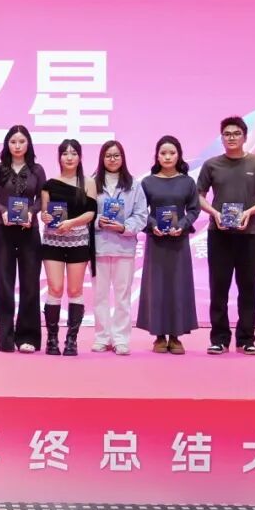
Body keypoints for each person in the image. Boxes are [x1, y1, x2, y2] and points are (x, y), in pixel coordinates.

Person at [197, 115, 255, 356]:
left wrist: (250, 212)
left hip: (250, 235)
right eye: (227, 134)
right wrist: (214, 213)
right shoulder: (211, 165)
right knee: (218, 288)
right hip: (219, 234)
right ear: (221, 138)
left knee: (249, 288)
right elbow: (199, 195)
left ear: (245, 136)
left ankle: (246, 339)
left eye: (236, 133)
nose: (231, 138)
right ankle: (219, 339)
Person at [0, 125, 46, 353]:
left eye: (21, 141)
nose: (17, 146)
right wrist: (3, 210)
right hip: (4, 231)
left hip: (30, 232)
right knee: (4, 285)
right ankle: (5, 338)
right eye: (13, 142)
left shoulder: (37, 170)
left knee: (30, 285)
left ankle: (27, 337)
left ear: (28, 144)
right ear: (7, 144)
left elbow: (42, 199)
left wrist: (32, 212)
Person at [136, 135, 201, 354]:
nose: (167, 157)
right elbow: (140, 211)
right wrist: (152, 225)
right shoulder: (148, 182)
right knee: (157, 287)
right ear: (157, 156)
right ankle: (159, 336)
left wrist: (182, 225)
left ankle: (175, 336)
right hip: (156, 242)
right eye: (163, 153)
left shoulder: (188, 182)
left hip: (179, 242)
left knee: (178, 286)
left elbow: (194, 210)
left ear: (179, 155)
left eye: (172, 153)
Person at [39, 139, 97, 356]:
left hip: (78, 241)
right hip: (53, 241)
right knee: (55, 288)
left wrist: (71, 223)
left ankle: (72, 340)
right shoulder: (49, 184)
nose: (69, 157)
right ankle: (52, 339)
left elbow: (91, 213)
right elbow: (44, 213)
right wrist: (45, 217)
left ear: (80, 157)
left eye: (74, 153)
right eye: (65, 153)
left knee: (74, 290)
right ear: (59, 157)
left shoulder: (88, 182)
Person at [91, 140, 148, 355]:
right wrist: (98, 222)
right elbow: (84, 213)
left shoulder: (134, 185)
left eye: (116, 155)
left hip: (124, 247)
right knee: (100, 295)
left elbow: (141, 215)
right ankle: (102, 337)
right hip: (99, 247)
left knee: (122, 296)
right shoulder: (91, 183)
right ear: (102, 158)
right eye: (108, 155)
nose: (112, 159)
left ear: (123, 158)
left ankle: (121, 339)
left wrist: (124, 227)